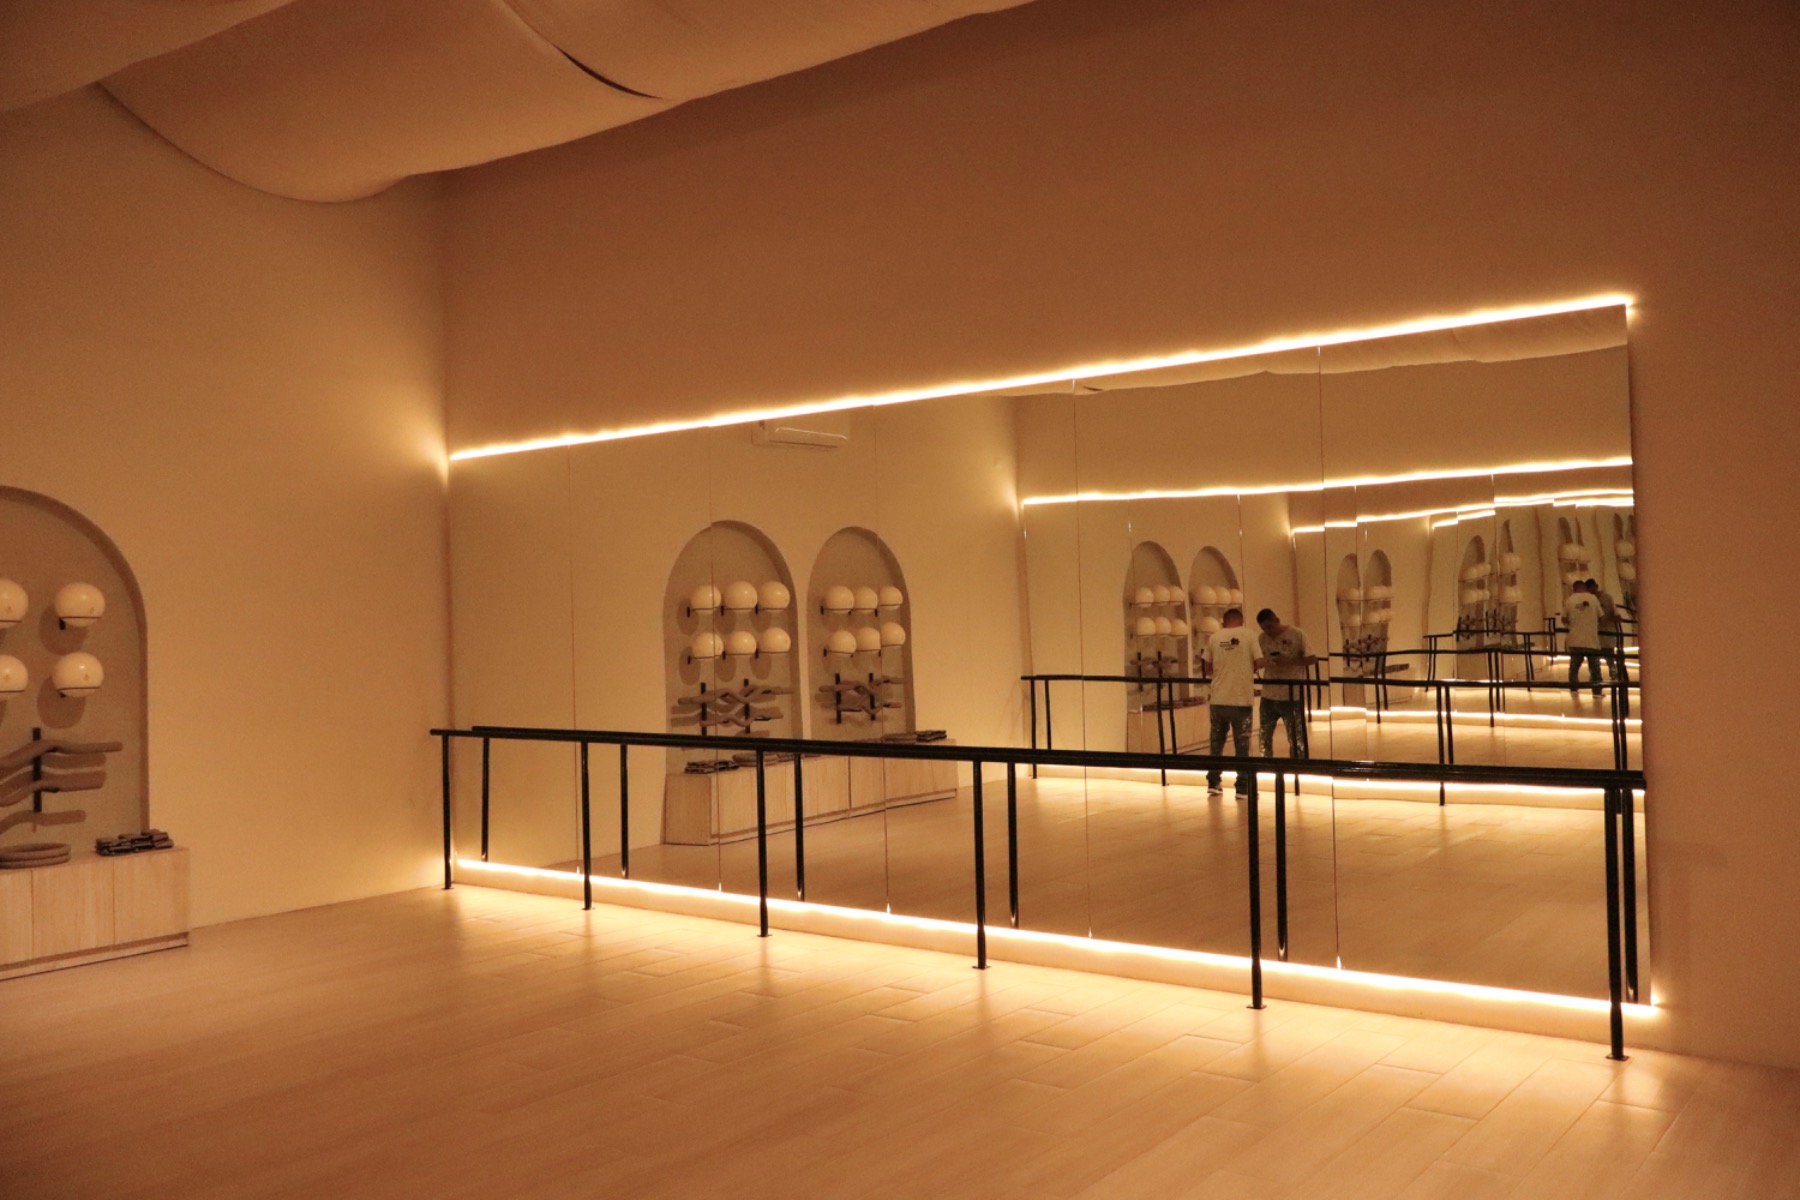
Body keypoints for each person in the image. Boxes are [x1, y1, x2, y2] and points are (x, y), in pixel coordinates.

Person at [1202, 608, 1257, 797]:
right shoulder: (1249, 635)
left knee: (1216, 743)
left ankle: (1213, 782)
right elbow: (1259, 661)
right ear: (1241, 621)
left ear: (1224, 622)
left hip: (1218, 699)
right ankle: (1242, 786)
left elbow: (1207, 667)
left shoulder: (1214, 637)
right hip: (1241, 699)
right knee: (1242, 744)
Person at [1256, 608, 1318, 759]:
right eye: (1264, 629)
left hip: (1292, 694)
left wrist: (1289, 661)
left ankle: (1298, 763)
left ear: (1277, 621)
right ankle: (1266, 762)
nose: (1268, 632)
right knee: (1264, 733)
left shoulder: (1297, 634)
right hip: (1268, 694)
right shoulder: (1261, 639)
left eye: (1270, 627)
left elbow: (1312, 658)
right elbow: (1257, 660)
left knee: (1296, 735)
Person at [1565, 581, 1604, 698]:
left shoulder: (1569, 600)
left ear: (1574, 588)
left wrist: (1572, 625)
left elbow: (1564, 618)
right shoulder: (1593, 599)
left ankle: (1574, 689)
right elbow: (1601, 616)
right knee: (1594, 668)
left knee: (1574, 667)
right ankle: (1597, 691)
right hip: (1591, 640)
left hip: (1575, 640)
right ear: (1585, 588)